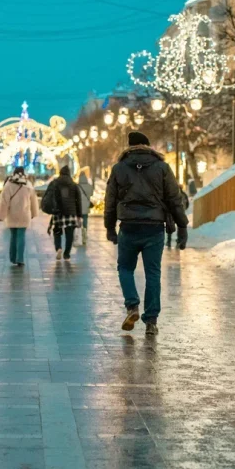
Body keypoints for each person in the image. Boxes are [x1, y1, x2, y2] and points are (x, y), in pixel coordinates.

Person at [104, 132, 187, 336]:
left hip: (129, 226)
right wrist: (182, 226)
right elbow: (174, 198)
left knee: (125, 268)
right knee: (153, 273)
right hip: (154, 227)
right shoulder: (162, 167)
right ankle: (151, 321)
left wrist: (109, 227)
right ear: (148, 146)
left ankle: (132, 306)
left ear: (130, 146)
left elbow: (110, 200)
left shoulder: (119, 168)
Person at [0, 166, 39, 266]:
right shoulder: (28, 184)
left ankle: (13, 258)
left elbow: (4, 202)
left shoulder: (8, 185)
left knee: (13, 236)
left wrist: (1, 216)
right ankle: (20, 258)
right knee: (21, 235)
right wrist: (34, 213)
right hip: (24, 214)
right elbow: (33, 201)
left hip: (12, 214)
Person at [43, 166, 82, 261]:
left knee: (57, 232)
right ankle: (67, 254)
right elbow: (78, 201)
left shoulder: (55, 182)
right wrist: (79, 215)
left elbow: (49, 196)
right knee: (69, 234)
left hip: (58, 212)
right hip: (71, 213)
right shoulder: (73, 184)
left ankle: (58, 248)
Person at [77, 168, 94, 246]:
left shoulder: (77, 186)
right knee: (85, 220)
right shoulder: (89, 186)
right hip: (86, 207)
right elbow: (91, 194)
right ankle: (84, 233)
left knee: (78, 221)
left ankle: (79, 235)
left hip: (78, 207)